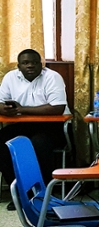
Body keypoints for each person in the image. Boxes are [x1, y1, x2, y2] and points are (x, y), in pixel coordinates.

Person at [0, 49, 70, 211]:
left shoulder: (52, 77)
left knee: (38, 144)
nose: (30, 65)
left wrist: (22, 109)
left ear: (41, 64)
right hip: (21, 125)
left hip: (52, 126)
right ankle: (19, 193)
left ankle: (42, 193)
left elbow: (57, 108)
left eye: (34, 62)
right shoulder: (11, 77)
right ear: (19, 66)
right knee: (2, 144)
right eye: (25, 63)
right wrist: (5, 110)